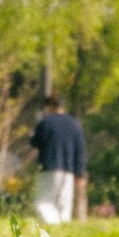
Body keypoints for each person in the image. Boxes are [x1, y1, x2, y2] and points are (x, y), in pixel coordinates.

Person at [28, 94, 87, 224]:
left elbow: (35, 142)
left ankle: (54, 226)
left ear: (49, 106)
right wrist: (80, 173)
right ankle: (64, 228)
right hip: (69, 170)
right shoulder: (74, 124)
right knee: (64, 205)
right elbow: (80, 150)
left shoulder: (46, 122)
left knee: (43, 202)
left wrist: (32, 134)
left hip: (49, 168)